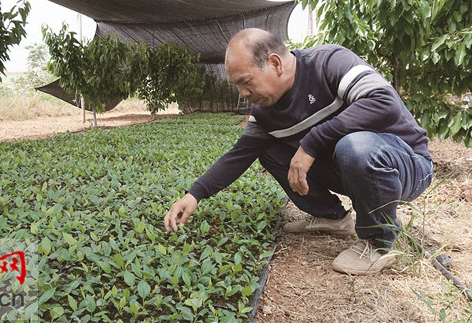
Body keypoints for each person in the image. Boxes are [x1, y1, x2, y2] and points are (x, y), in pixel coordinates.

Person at [163, 28, 433, 275]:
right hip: (350, 168)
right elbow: (239, 155)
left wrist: (312, 142)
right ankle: (331, 217)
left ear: (275, 63)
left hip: (405, 164)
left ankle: (378, 243)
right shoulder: (265, 112)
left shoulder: (329, 63)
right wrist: (194, 193)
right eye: (237, 86)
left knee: (354, 145)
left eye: (246, 82)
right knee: (267, 149)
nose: (242, 94)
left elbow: (384, 103)